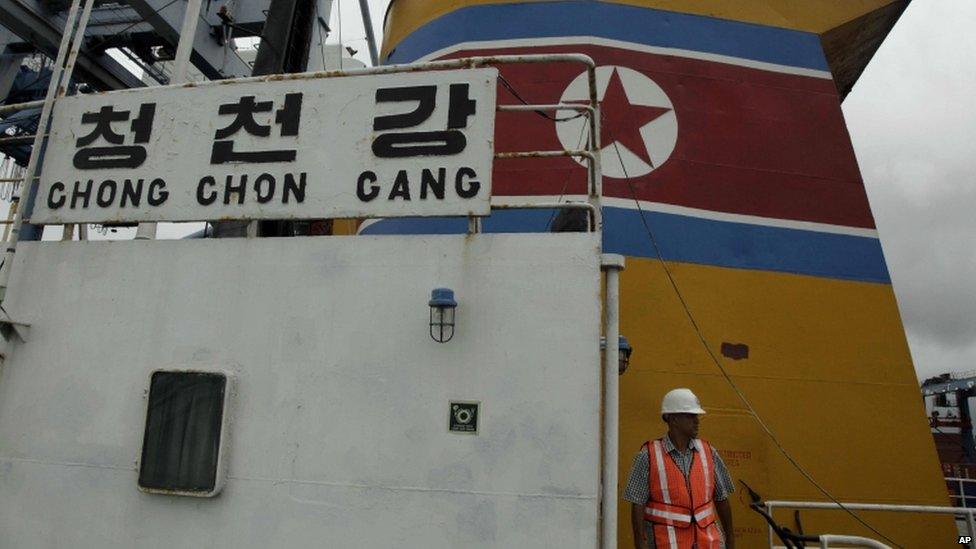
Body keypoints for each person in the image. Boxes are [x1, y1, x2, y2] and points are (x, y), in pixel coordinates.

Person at [623, 388, 735, 549]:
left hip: (708, 543)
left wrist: (730, 540)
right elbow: (637, 504)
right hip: (666, 543)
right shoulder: (648, 455)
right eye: (691, 416)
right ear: (673, 419)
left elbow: (722, 498)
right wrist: (640, 544)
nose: (697, 421)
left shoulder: (708, 452)